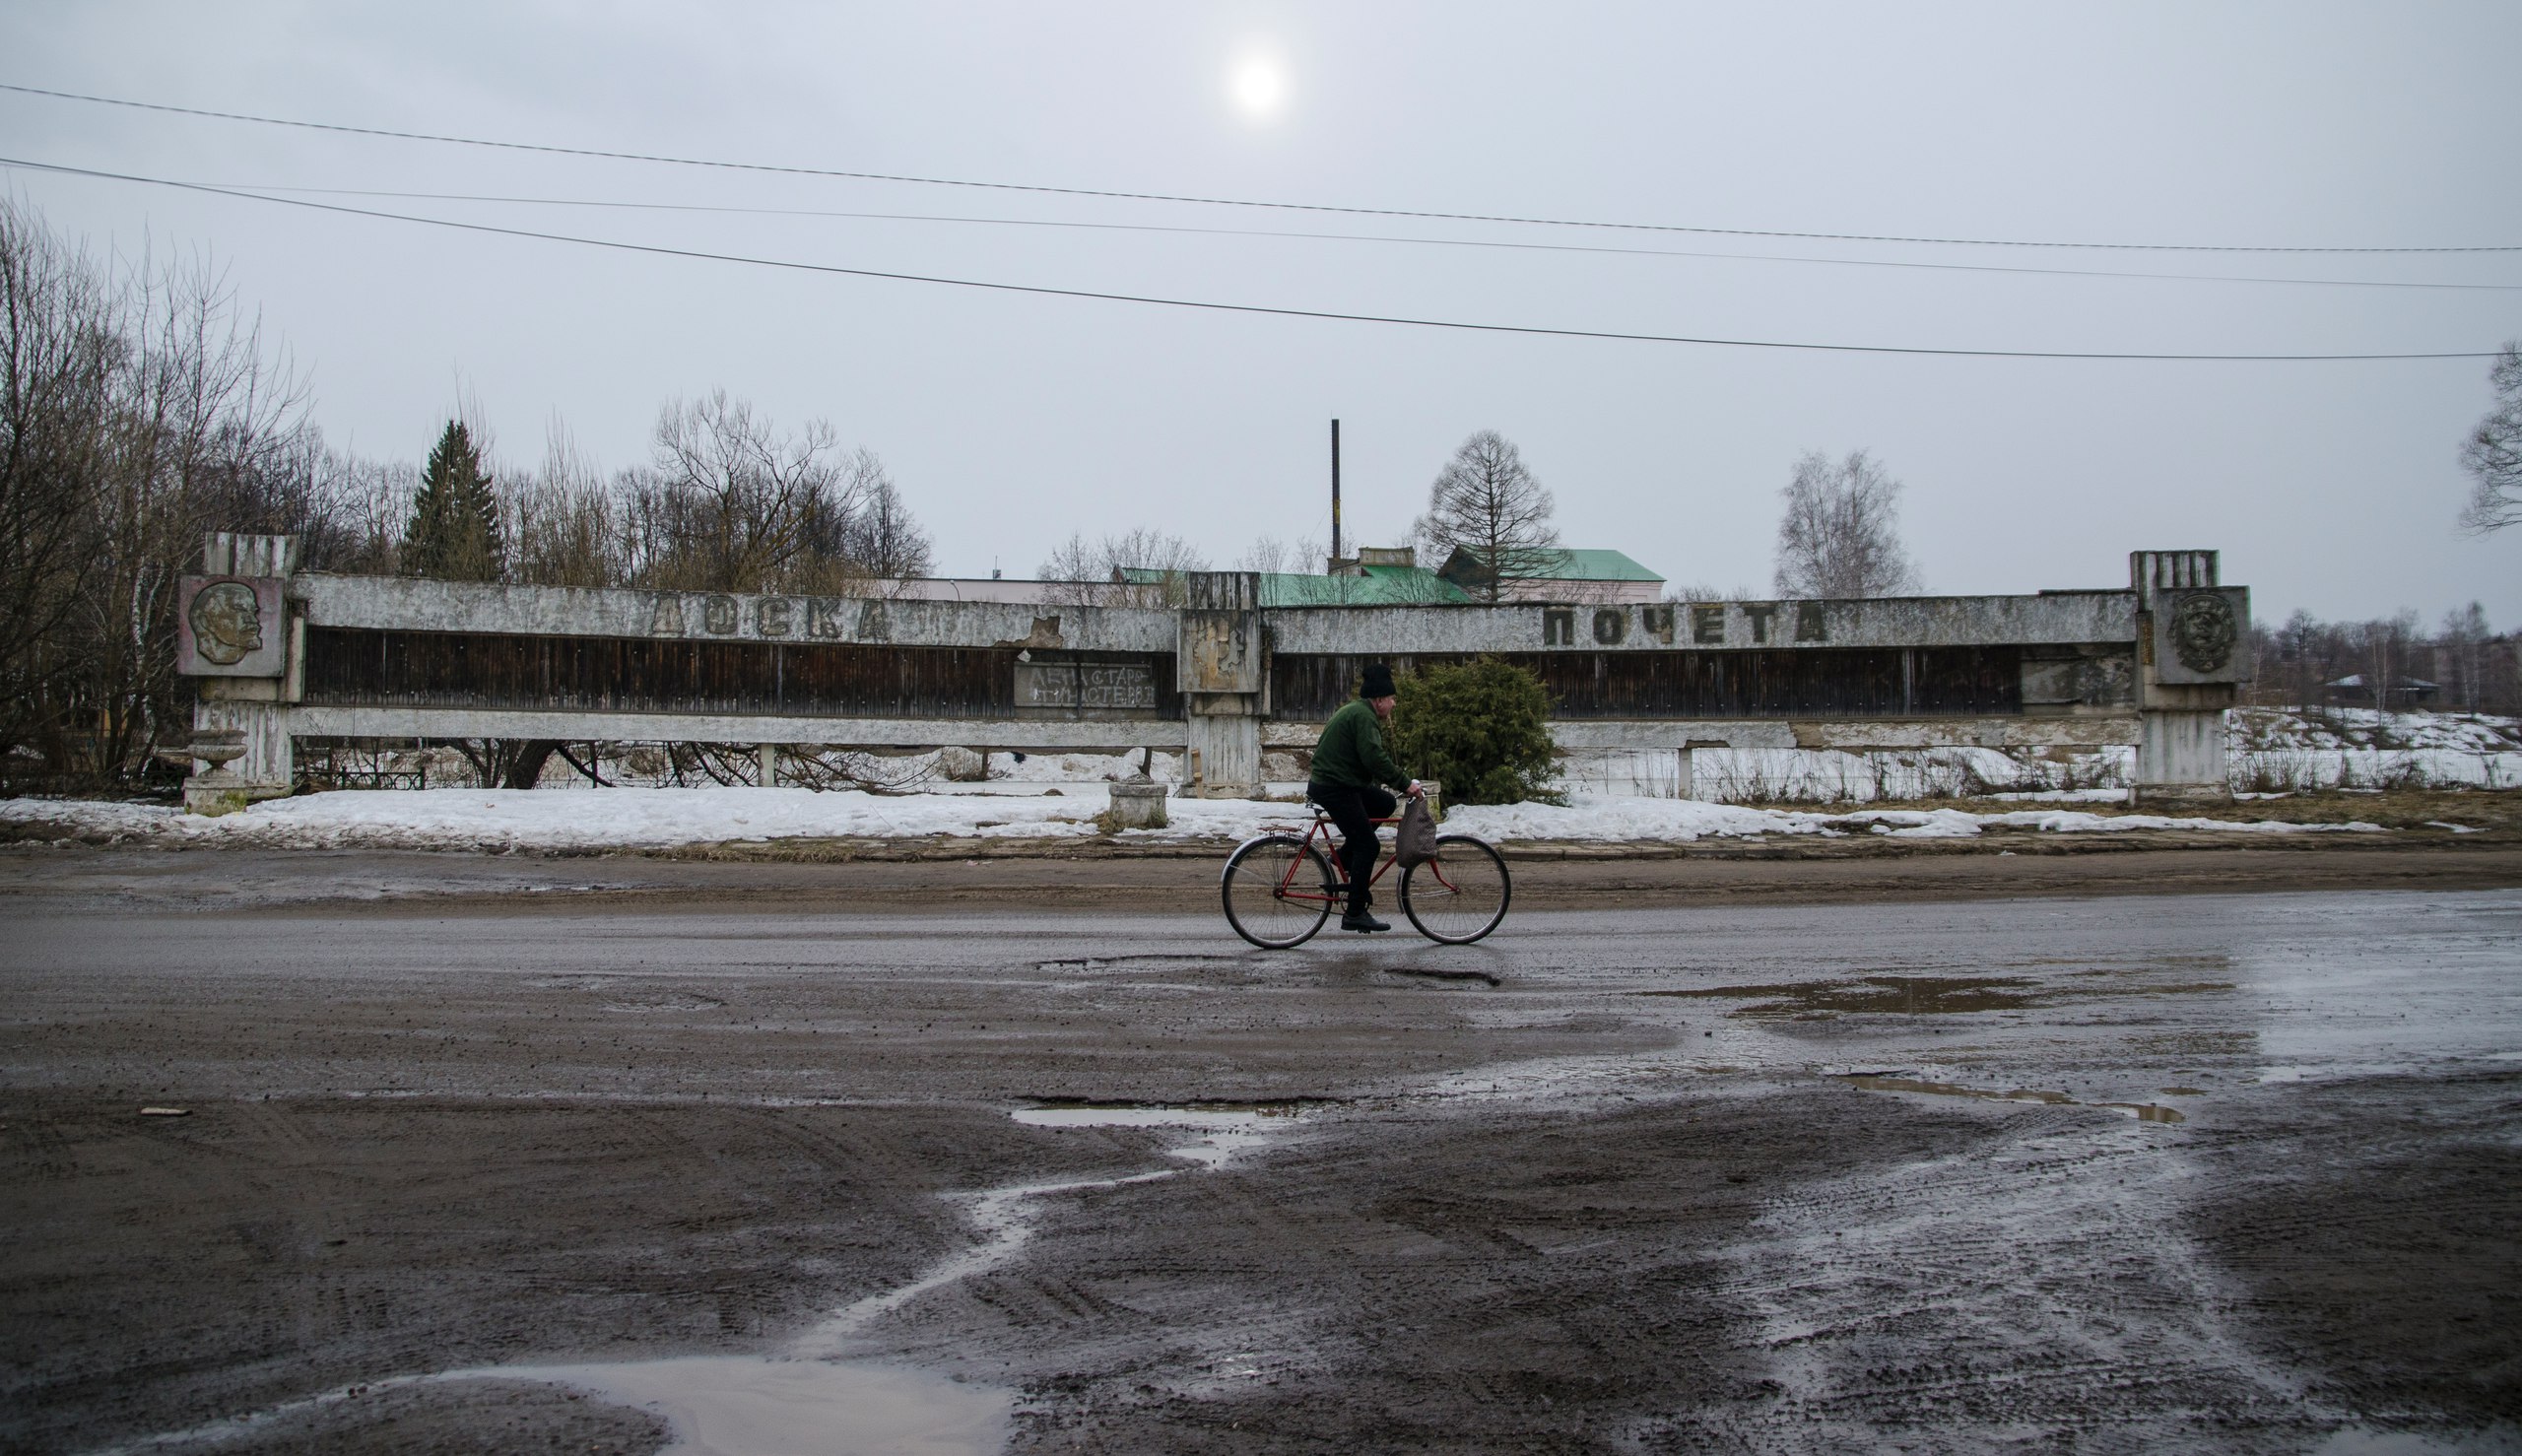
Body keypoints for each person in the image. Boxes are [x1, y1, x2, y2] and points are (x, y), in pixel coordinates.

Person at [1307, 661, 1424, 933]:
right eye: (1392, 699)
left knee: (1384, 802)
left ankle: (1344, 857)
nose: (1394, 704)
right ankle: (1355, 912)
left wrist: (1397, 785)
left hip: (1340, 782)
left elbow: (1367, 759)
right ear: (1380, 699)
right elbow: (1373, 758)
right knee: (1369, 847)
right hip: (1334, 787)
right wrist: (1405, 784)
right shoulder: (1364, 717)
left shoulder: (1359, 712)